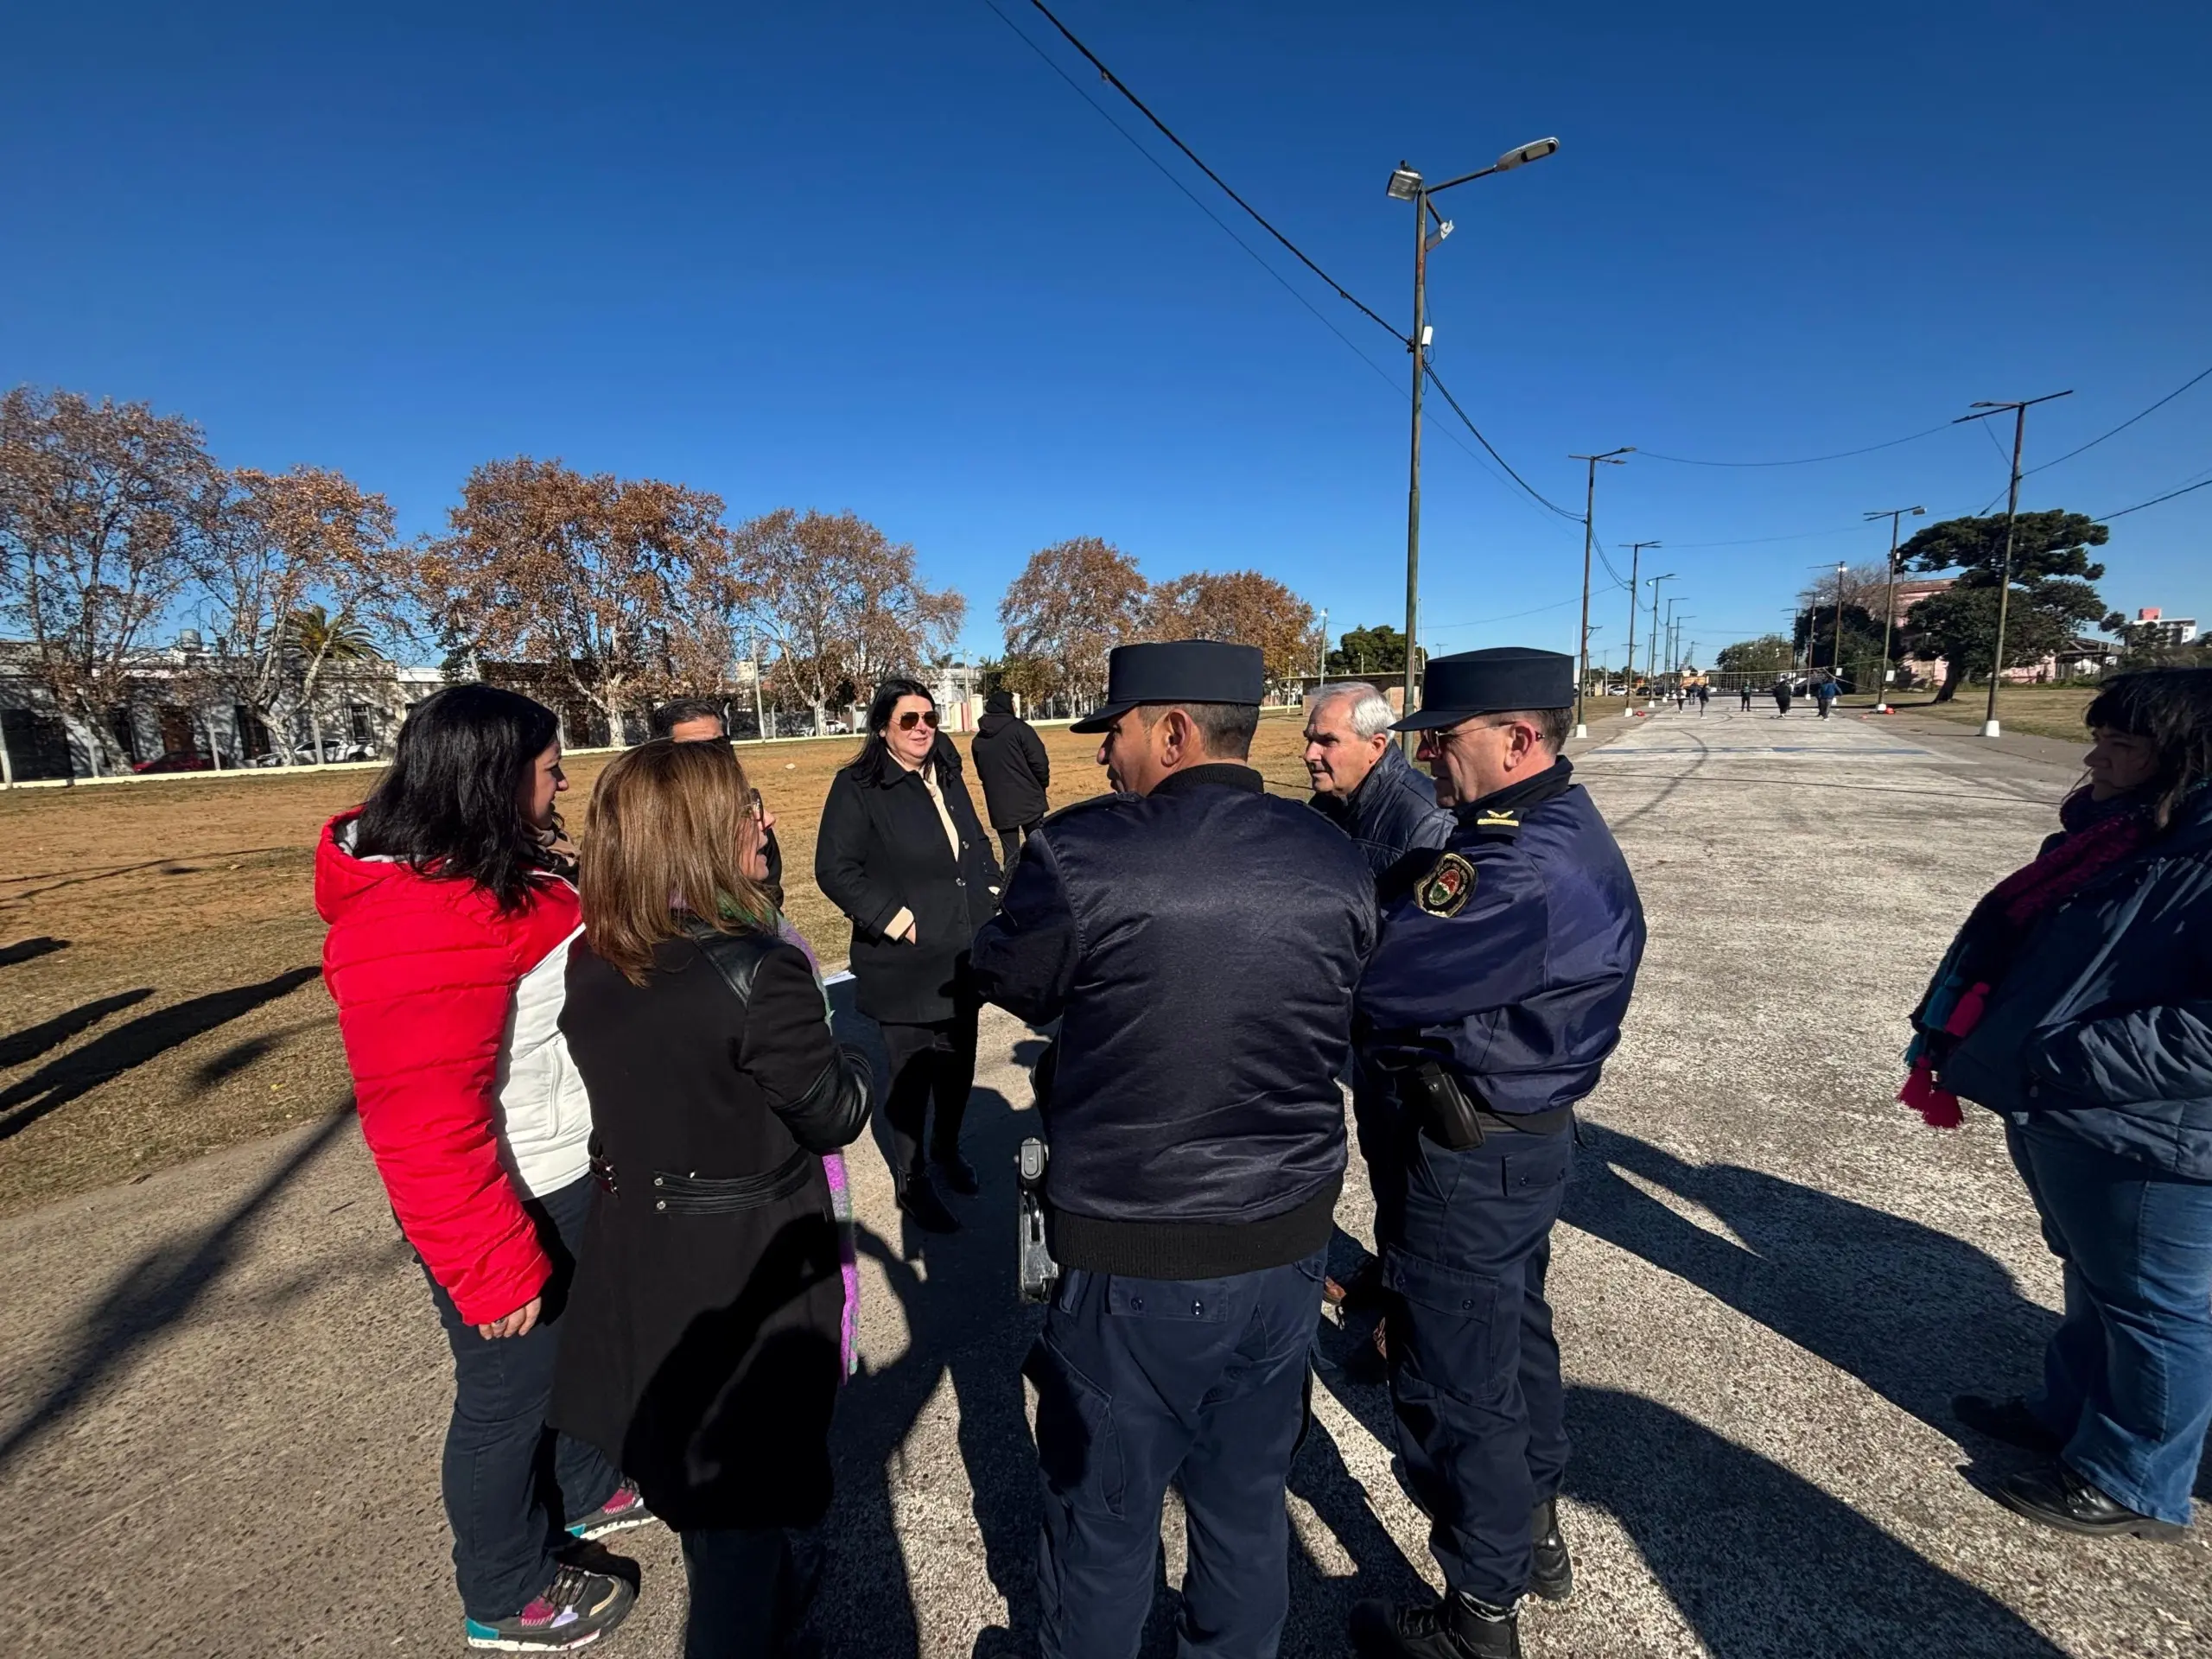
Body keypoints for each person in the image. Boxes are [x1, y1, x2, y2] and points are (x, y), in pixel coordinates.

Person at [971, 641, 1377, 1659]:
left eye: (1114, 732)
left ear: (1173, 731)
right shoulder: (1333, 851)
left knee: (1102, 1525)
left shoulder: (1083, 852)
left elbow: (1011, 976)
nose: (1103, 756)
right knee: (1245, 1506)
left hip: (1134, 1255)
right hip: (1285, 1245)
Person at [316, 684, 648, 1653]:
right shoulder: (413, 918)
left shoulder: (495, 871)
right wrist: (489, 1263)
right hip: (502, 1197)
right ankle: (505, 1588)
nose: (563, 786)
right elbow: (422, 1122)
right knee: (509, 1394)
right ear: (492, 781)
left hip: (560, 1165)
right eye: (549, 771)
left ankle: (581, 1485)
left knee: (574, 1353)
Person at [1350, 648, 1646, 1659]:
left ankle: (1479, 1612)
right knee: (1513, 1340)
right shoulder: (1543, 827)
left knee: (1453, 1379)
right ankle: (1532, 1532)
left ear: (1518, 739)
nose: (1425, 756)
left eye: (1443, 737)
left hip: (1469, 1154)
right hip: (1519, 1142)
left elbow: (1377, 981)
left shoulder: (1511, 866)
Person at [553, 738, 874, 1657]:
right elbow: (836, 1111)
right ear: (695, 833)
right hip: (740, 1258)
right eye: (743, 809)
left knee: (704, 1489)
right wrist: (846, 1049)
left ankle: (765, 1593)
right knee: (737, 1509)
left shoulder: (594, 954)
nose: (761, 821)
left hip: (640, 1252)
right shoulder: (756, 969)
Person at [1902, 668, 2212, 1542]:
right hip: (2068, 1107)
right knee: (2095, 1276)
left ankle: (2136, 1478)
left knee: (2154, 1305)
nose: (2095, 759)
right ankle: (2070, 1411)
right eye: (2099, 739)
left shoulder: (2193, 856)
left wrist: (2065, 1056)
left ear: (2186, 761)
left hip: (2146, 1125)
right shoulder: (2122, 836)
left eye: (2122, 745)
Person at [815, 677, 1001, 1233]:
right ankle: (912, 1178)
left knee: (958, 1066)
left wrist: (991, 888)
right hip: (906, 964)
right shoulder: (858, 786)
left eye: (930, 718)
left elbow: (974, 841)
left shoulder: (946, 772)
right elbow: (834, 870)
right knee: (911, 1078)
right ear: (882, 727)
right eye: (909, 720)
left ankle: (946, 1149)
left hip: (961, 955)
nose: (922, 729)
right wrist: (897, 921)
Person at [1304, 680, 1454, 880]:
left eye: (1328, 741)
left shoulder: (1428, 821)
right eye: (1309, 740)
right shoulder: (1323, 804)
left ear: (1375, 746)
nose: (1309, 755)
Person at [651, 697, 785, 903]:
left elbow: (770, 890)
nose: (713, 757)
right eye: (695, 749)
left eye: (720, 745)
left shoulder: (748, 811)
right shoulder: (643, 819)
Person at [970, 689, 1052, 875]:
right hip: (1029, 799)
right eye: (1013, 703)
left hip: (1000, 805)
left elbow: (982, 773)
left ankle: (1012, 887)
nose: (1015, 707)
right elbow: (1039, 762)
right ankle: (1043, 881)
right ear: (1006, 706)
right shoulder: (1021, 729)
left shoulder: (978, 741)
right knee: (1039, 847)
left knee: (1011, 854)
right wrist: (1041, 785)